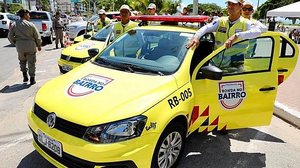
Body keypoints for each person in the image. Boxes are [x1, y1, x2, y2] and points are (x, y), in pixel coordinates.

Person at [186, 0, 263, 72]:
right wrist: (196, 37)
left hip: (234, 66)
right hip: (215, 64)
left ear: (240, 6)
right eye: (229, 4)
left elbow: (257, 32)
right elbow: (206, 28)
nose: (230, 6)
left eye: (233, 4)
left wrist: (237, 36)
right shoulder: (220, 20)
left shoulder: (246, 23)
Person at [8, 9, 42, 85]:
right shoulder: (31, 25)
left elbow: (10, 36)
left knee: (22, 61)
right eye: (28, 14)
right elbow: (37, 37)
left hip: (20, 47)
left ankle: (24, 75)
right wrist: (39, 45)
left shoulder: (14, 24)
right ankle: (32, 79)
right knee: (31, 62)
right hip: (30, 46)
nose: (29, 16)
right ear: (25, 15)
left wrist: (15, 43)